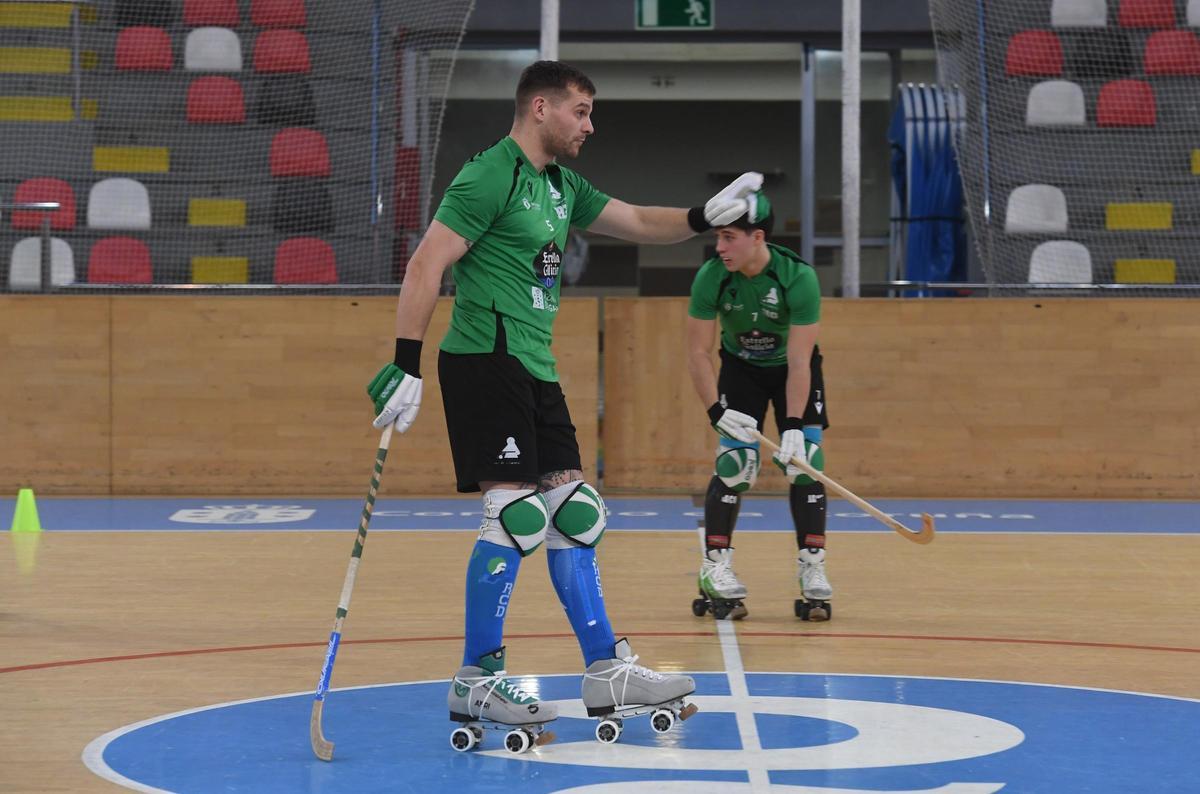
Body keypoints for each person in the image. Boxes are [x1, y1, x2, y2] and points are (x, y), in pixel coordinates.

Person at [365, 60, 762, 747]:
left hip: (535, 367)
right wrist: (406, 361)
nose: (590, 125)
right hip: (485, 359)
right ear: (541, 108)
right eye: (581, 111)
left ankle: (607, 669)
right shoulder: (490, 174)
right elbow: (427, 262)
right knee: (514, 516)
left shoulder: (561, 186)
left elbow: (637, 219)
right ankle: (478, 679)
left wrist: (703, 216)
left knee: (576, 514)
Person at [684, 189, 834, 622]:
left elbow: (801, 360)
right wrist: (715, 411)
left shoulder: (798, 277)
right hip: (741, 369)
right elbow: (698, 353)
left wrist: (793, 424)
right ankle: (715, 565)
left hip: (792, 368)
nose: (720, 247)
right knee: (735, 465)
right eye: (718, 237)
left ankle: (812, 565)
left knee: (806, 462)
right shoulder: (712, 277)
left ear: (758, 238)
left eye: (729, 237)